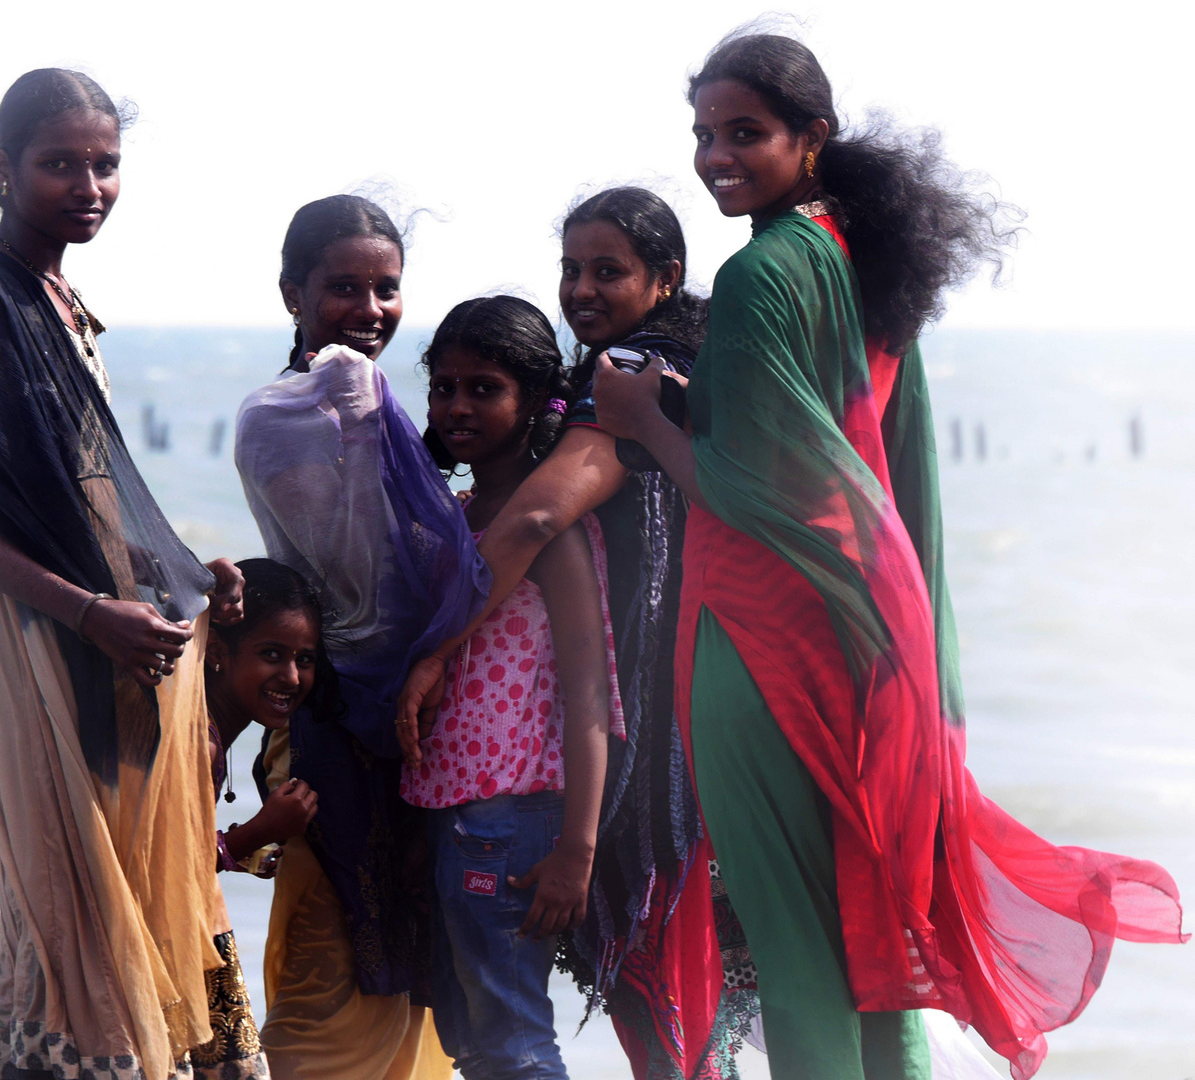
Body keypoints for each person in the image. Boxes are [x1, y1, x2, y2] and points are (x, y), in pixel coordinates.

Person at [591, 30, 1187, 1080]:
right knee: (868, 933)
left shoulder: (760, 272)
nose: (716, 155)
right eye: (702, 135)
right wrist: (708, 408)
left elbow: (755, 490)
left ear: (810, 138)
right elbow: (871, 457)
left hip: (762, 637)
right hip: (871, 632)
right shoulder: (854, 260)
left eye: (746, 133)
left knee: (791, 937)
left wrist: (641, 419)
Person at [0, 69, 256, 1080]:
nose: (88, 184)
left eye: (105, 164)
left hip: (99, 637)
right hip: (32, 638)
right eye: (60, 162)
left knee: (89, 912)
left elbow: (86, 499)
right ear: (3, 169)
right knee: (65, 909)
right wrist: (88, 611)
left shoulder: (64, 305)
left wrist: (187, 573)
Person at [397, 190, 756, 1078]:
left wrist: (438, 649)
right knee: (675, 977)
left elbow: (535, 520)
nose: (582, 290)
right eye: (571, 270)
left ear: (665, 280)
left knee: (630, 981)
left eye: (609, 271)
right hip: (690, 686)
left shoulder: (628, 368)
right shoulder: (677, 363)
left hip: (626, 724)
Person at [235, 195, 477, 1080]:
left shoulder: (365, 403)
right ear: (292, 293)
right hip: (332, 733)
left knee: (411, 1006)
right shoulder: (284, 414)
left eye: (387, 289)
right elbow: (361, 595)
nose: (370, 312)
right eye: (344, 288)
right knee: (326, 997)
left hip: (402, 740)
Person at [403, 294, 623, 1080]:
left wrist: (578, 848)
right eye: (444, 387)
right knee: (471, 1037)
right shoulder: (456, 513)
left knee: (512, 1041)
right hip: (450, 810)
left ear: (534, 401)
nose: (458, 406)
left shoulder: (551, 528)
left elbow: (590, 692)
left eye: (484, 388)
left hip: (512, 820)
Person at [192, 558, 334, 1078]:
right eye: (271, 654)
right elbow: (159, 868)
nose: (292, 677)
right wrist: (255, 833)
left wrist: (239, 847)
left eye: (305, 659)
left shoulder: (205, 726)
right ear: (217, 654)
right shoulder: (198, 741)